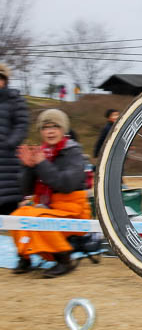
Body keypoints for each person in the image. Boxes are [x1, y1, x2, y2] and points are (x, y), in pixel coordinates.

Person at [10, 109, 92, 278]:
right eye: (45, 127)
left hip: (72, 210)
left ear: (63, 130)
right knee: (18, 215)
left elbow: (66, 185)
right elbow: (26, 190)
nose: (50, 131)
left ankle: (63, 258)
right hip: (46, 205)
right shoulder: (40, 153)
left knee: (40, 220)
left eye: (55, 126)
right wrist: (28, 167)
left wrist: (41, 164)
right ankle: (25, 256)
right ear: (41, 131)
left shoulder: (73, 152)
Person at [0, 63, 29, 215]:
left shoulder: (14, 99)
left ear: (5, 80)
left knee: (7, 205)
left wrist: (9, 143)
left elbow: (22, 124)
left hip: (7, 159)